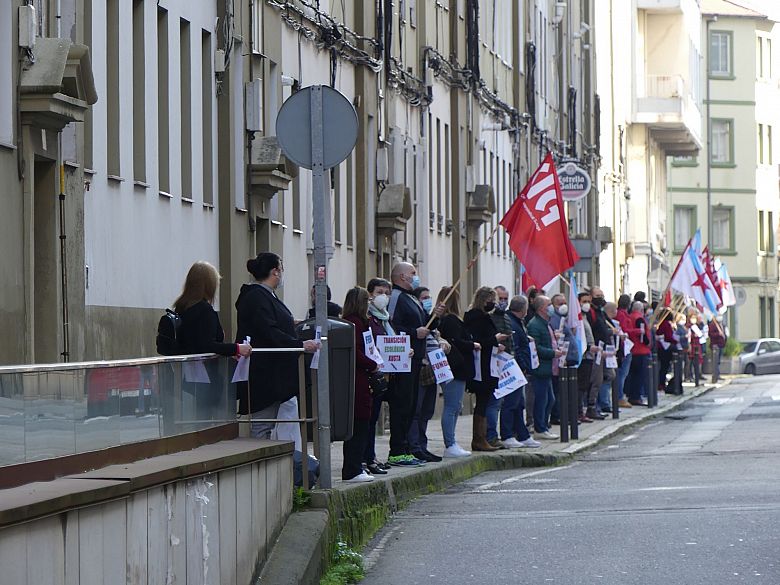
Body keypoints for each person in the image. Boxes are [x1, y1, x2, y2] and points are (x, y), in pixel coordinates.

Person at [235, 253, 320, 438]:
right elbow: (268, 330)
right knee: (262, 424)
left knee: (278, 420)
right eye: (281, 269)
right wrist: (299, 344)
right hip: (266, 373)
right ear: (275, 271)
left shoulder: (266, 295)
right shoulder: (257, 297)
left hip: (276, 373)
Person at [174, 261, 252, 420]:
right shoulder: (205, 310)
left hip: (186, 375)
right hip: (206, 376)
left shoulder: (181, 308)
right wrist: (237, 348)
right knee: (208, 419)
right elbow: (207, 344)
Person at [386, 262, 442, 466]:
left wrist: (435, 316)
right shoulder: (396, 297)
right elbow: (390, 326)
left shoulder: (411, 298)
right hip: (403, 359)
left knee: (411, 406)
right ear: (402, 276)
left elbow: (426, 323)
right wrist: (412, 333)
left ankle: (407, 448)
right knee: (402, 405)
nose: (415, 277)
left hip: (417, 358)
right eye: (413, 273)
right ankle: (397, 450)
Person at [340, 287, 381, 482]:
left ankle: (356, 466)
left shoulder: (357, 322)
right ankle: (353, 469)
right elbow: (356, 352)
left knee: (362, 424)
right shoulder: (355, 323)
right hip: (359, 379)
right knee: (359, 424)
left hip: (361, 378)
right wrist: (373, 364)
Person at [464, 286, 509, 451]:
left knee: (484, 401)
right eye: (491, 300)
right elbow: (478, 341)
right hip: (482, 365)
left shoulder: (481, 317)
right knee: (483, 401)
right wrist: (495, 339)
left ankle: (481, 438)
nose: (494, 304)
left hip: (488, 362)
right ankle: (479, 438)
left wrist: (497, 343)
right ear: (483, 301)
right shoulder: (477, 318)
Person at [436, 286, 477, 457]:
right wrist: (472, 344)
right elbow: (457, 342)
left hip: (454, 368)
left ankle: (452, 442)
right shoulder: (451, 320)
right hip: (455, 367)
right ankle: (450, 443)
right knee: (452, 406)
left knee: (455, 405)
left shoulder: (445, 320)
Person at [408, 286, 447, 463]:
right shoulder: (415, 319)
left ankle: (422, 445)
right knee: (416, 410)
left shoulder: (429, 319)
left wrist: (443, 342)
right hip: (421, 368)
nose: (427, 300)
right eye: (424, 298)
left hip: (433, 370)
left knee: (427, 411)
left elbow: (435, 334)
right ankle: (414, 446)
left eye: (428, 297)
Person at [502, 295, 541, 448]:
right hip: (515, 368)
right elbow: (516, 348)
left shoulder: (518, 322)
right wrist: (523, 365)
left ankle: (522, 435)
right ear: (523, 308)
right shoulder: (512, 322)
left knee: (519, 404)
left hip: (519, 367)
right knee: (511, 403)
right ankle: (507, 435)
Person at [364, 277, 393, 475]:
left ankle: (371, 456)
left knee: (374, 418)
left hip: (384, 373)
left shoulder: (385, 319)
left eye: (386, 293)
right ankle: (367, 458)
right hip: (371, 373)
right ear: (370, 294)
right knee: (369, 418)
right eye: (379, 292)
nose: (383, 296)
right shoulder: (369, 318)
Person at [526, 295, 563, 440]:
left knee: (549, 399)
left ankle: (543, 426)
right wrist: (553, 353)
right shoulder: (535, 325)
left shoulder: (546, 323)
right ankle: (539, 428)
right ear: (541, 308)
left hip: (548, 368)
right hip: (540, 368)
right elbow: (536, 347)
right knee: (542, 400)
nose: (551, 307)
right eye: (549, 304)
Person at [486, 285, 514, 448]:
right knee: (494, 403)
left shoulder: (506, 317)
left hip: (506, 363)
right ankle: (491, 435)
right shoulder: (489, 317)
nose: (503, 302)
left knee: (504, 402)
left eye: (505, 299)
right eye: (500, 298)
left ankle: (497, 435)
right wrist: (496, 343)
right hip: (493, 364)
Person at [576, 290, 603, 421]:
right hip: (583, 356)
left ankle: (582, 411)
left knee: (586, 385)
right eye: (584, 301)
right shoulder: (577, 318)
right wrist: (588, 347)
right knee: (581, 386)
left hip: (589, 356)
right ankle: (579, 412)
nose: (587, 304)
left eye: (588, 301)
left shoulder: (586, 317)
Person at [626, 301, 651, 406]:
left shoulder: (630, 317)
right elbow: (642, 336)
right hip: (640, 350)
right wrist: (647, 342)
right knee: (639, 375)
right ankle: (636, 397)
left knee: (632, 375)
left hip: (632, 349)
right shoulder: (639, 319)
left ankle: (632, 395)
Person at [616, 294, 637, 409]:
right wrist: (637, 331)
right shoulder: (622, 315)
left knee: (623, 373)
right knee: (622, 373)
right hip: (625, 346)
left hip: (627, 345)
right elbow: (624, 330)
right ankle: (619, 397)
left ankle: (620, 396)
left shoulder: (623, 314)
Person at [655, 307, 678, 393]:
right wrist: (676, 341)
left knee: (663, 367)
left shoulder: (661, 323)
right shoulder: (666, 324)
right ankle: (661, 384)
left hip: (661, 347)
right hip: (665, 348)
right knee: (664, 367)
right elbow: (668, 336)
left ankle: (661, 383)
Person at [709, 315, 726, 383]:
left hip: (721, 345)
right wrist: (718, 334)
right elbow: (711, 334)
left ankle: (718, 374)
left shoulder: (721, 324)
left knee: (718, 361)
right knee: (715, 361)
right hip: (715, 345)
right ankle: (716, 375)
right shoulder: (713, 325)